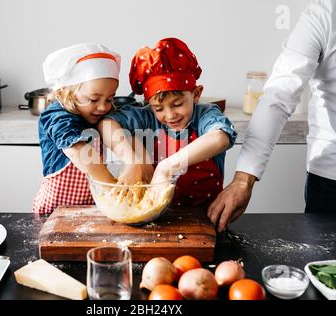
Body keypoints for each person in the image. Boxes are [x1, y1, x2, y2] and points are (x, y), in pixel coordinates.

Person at [208, 0, 336, 232]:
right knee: (328, 264)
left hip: (335, 177)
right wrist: (243, 179)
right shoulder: (324, 14)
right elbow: (278, 98)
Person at [98, 38, 237, 207]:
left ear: (196, 94)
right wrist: (132, 160)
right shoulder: (146, 117)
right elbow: (106, 124)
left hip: (205, 216)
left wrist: (167, 167)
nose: (170, 115)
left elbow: (219, 139)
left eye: (177, 104)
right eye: (158, 108)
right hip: (156, 216)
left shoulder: (205, 115)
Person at [32, 43, 121, 215]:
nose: (103, 107)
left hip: (90, 210)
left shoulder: (97, 115)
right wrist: (112, 186)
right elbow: (77, 151)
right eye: (94, 99)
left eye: (109, 99)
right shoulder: (57, 116)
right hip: (53, 214)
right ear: (68, 92)